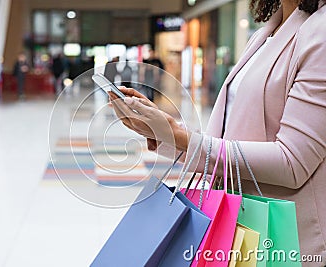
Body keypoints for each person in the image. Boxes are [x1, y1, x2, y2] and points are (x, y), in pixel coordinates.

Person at [109, 0, 326, 265]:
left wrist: (177, 134)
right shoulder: (268, 31)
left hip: (285, 239)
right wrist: (162, 130)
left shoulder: (320, 32)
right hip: (240, 225)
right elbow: (233, 134)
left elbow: (293, 161)